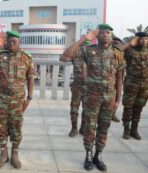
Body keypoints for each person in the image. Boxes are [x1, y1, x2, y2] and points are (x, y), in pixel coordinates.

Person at [62, 24, 125, 171]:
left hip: (109, 98)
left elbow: (120, 78)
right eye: (102, 33)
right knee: (90, 127)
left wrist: (118, 99)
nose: (105, 35)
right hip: (92, 97)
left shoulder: (117, 53)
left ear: (111, 35)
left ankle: (99, 154)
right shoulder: (88, 51)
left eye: (108, 32)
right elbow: (66, 55)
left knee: (104, 127)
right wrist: (84, 38)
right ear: (97, 36)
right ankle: (88, 155)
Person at [0, 31, 34, 169]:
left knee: (16, 126)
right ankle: (3, 153)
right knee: (1, 126)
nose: (11, 44)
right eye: (9, 41)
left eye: (14, 42)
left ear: (19, 43)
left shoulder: (26, 58)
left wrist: (29, 98)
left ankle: (15, 153)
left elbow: (30, 78)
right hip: (2, 99)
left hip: (18, 100)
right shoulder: (0, 55)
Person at [61, 40, 91, 137]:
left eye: (87, 47)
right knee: (74, 109)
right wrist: (75, 46)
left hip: (90, 87)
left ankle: (83, 128)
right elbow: (63, 58)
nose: (84, 49)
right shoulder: (76, 52)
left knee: (87, 110)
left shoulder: (94, 54)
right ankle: (74, 128)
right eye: (82, 47)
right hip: (77, 85)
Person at [122, 32, 148, 140]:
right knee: (128, 107)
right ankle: (126, 130)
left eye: (146, 39)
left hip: (145, 85)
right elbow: (118, 50)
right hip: (131, 83)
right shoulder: (129, 51)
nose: (144, 41)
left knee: (139, 108)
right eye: (141, 39)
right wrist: (130, 43)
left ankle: (134, 129)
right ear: (137, 39)